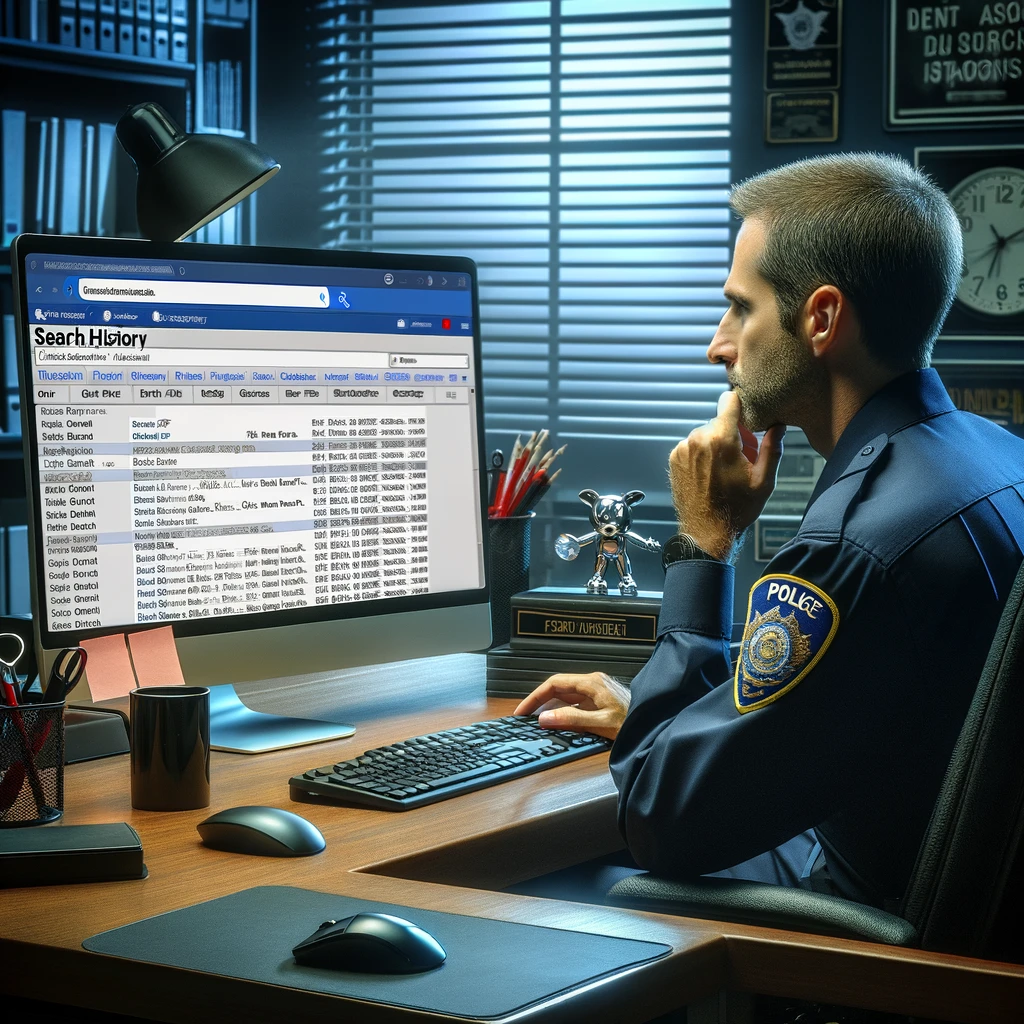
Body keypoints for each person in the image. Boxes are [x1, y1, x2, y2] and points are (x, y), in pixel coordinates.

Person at [514, 153, 1024, 910]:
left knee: (557, 886)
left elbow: (660, 818)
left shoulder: (856, 542)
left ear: (820, 319)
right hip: (927, 894)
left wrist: (703, 543)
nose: (717, 345)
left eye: (741, 308)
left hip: (860, 940)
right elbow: (851, 714)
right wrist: (677, 728)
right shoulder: (999, 460)